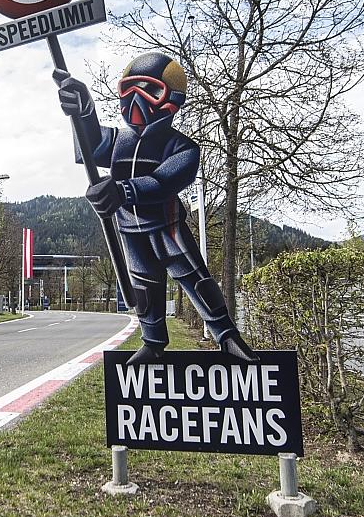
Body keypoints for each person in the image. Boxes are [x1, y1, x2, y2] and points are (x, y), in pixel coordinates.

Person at [55, 52, 256, 364]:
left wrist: (122, 190)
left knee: (195, 278)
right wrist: (84, 111)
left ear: (172, 97)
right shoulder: (118, 140)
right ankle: (153, 342)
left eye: (150, 89)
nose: (136, 100)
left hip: (167, 226)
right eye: (128, 89)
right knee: (144, 287)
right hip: (130, 231)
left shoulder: (182, 147)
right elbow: (89, 148)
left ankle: (226, 336)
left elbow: (164, 182)